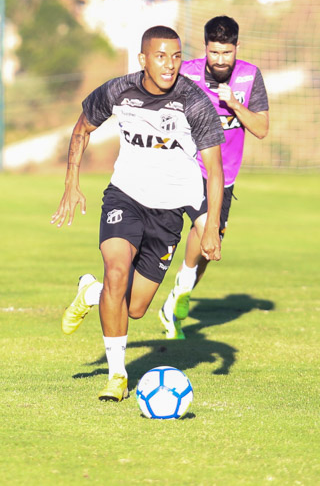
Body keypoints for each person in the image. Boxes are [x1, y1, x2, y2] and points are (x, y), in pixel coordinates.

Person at [50, 25, 225, 402]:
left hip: (169, 212)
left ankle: (90, 293)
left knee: (136, 307)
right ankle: (117, 376)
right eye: (161, 56)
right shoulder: (117, 91)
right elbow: (82, 129)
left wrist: (210, 227)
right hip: (125, 197)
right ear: (143, 59)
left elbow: (214, 168)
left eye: (177, 57)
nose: (170, 65)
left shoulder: (194, 102)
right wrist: (71, 183)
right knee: (116, 270)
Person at [158, 16, 270, 339]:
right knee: (201, 230)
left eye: (227, 53)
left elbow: (261, 129)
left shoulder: (249, 77)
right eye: (214, 52)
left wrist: (234, 104)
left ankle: (178, 297)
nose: (220, 60)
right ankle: (177, 288)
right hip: (186, 168)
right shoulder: (187, 74)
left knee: (210, 247)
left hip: (225, 177)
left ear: (237, 48)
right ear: (205, 48)